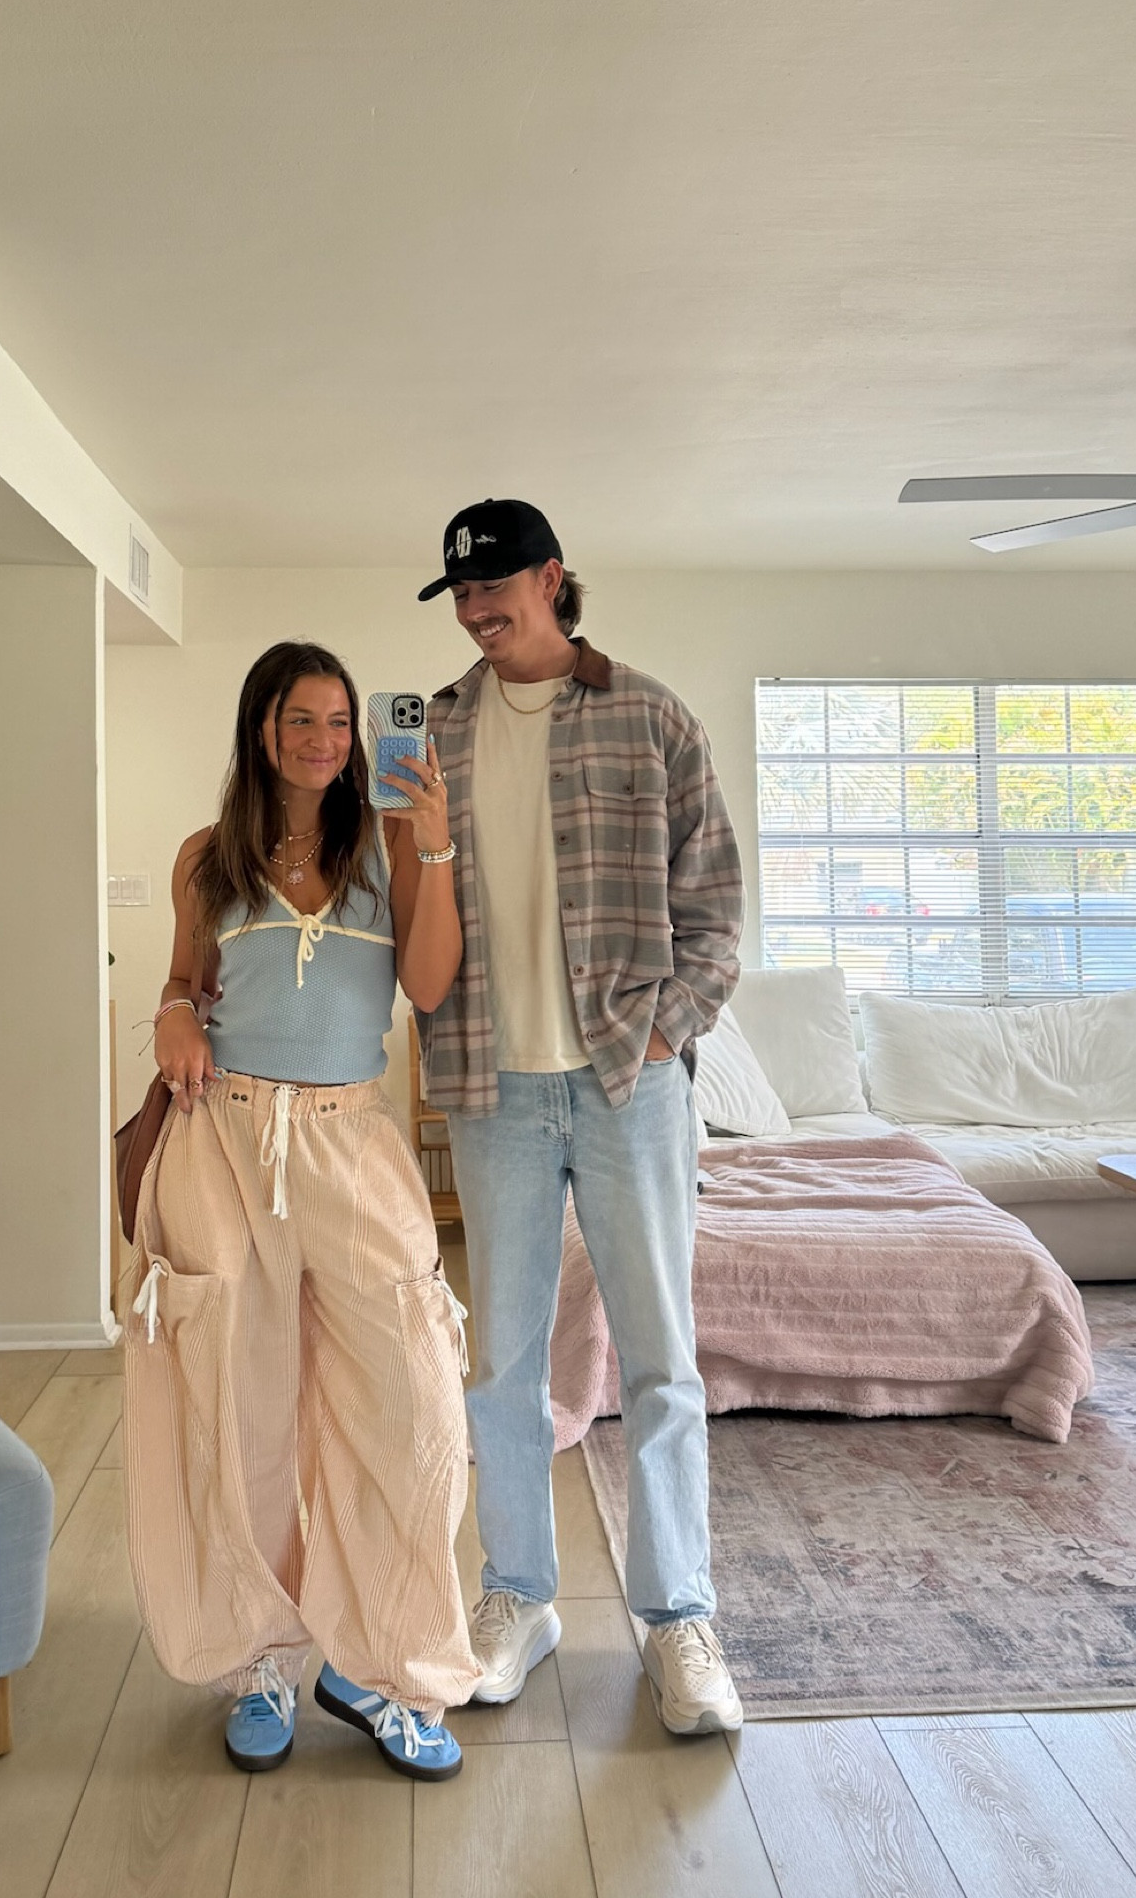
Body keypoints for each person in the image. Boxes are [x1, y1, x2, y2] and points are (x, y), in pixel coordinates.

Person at [122, 640, 480, 1782]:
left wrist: (434, 838)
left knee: (411, 1403)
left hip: (351, 1137)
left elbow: (425, 987)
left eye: (339, 720)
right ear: (261, 729)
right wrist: (175, 1012)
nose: (324, 740)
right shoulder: (206, 857)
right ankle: (261, 1653)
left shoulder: (388, 846)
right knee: (238, 1399)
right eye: (301, 719)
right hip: (222, 1137)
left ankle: (386, 1666)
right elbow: (186, 984)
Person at [415, 499, 746, 1735]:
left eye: (496, 582)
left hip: (629, 1080)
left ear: (555, 578)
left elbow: (714, 907)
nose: (476, 606)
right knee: (498, 1362)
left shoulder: (649, 715)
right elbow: (403, 908)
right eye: (459, 590)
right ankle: (518, 1595)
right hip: (491, 1086)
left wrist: (666, 1029)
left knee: (661, 1360)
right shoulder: (431, 735)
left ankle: (678, 1620)